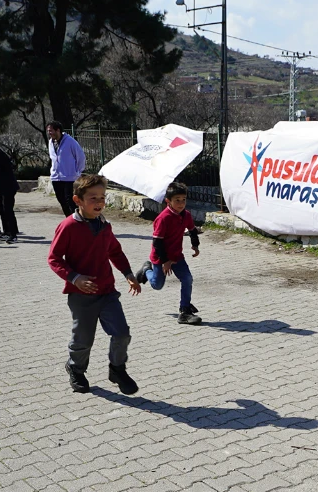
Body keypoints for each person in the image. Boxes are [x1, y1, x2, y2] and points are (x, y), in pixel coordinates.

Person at [47, 173, 141, 395]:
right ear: (78, 200)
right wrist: (74, 277)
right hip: (81, 296)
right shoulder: (68, 226)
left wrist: (128, 273)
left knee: (122, 334)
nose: (99, 202)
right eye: (93, 198)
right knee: (83, 339)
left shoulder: (104, 225)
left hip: (107, 291)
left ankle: (117, 369)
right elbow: (54, 259)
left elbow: (115, 251)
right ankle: (76, 368)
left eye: (102, 197)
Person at [135, 181, 202, 325]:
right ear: (168, 201)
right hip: (160, 257)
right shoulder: (163, 218)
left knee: (187, 279)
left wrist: (195, 245)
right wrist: (165, 261)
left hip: (177, 256)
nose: (181, 203)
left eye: (183, 200)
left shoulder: (186, 215)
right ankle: (146, 270)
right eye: (177, 200)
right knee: (157, 285)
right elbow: (157, 243)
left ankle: (185, 311)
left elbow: (192, 230)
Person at [46, 121, 85, 217]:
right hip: (56, 177)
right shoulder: (51, 142)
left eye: (51, 131)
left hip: (69, 177)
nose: (49, 133)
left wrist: (77, 171)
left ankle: (78, 222)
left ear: (57, 130)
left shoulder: (70, 142)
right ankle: (69, 222)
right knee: (62, 201)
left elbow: (81, 157)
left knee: (70, 201)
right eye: (48, 131)